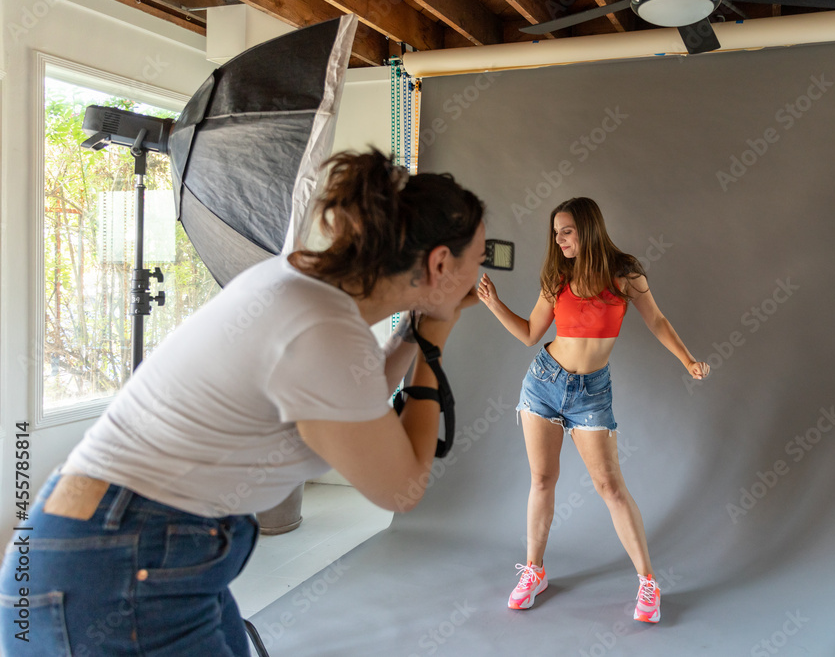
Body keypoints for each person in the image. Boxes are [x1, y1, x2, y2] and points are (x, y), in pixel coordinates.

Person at [0, 149, 485, 656]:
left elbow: (354, 396)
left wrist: (416, 331)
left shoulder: (299, 290)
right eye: (477, 259)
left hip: (113, 546)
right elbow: (401, 489)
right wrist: (436, 340)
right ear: (439, 263)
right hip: (120, 565)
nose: (478, 275)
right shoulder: (322, 328)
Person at [477, 197, 708, 624]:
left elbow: (657, 321)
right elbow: (530, 334)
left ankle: (648, 583)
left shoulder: (624, 274)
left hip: (591, 394)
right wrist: (493, 304)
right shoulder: (557, 278)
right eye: (556, 232)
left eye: (567, 230)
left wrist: (688, 360)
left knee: (610, 488)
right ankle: (534, 570)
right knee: (542, 479)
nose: (559, 239)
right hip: (544, 383)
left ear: (588, 228)